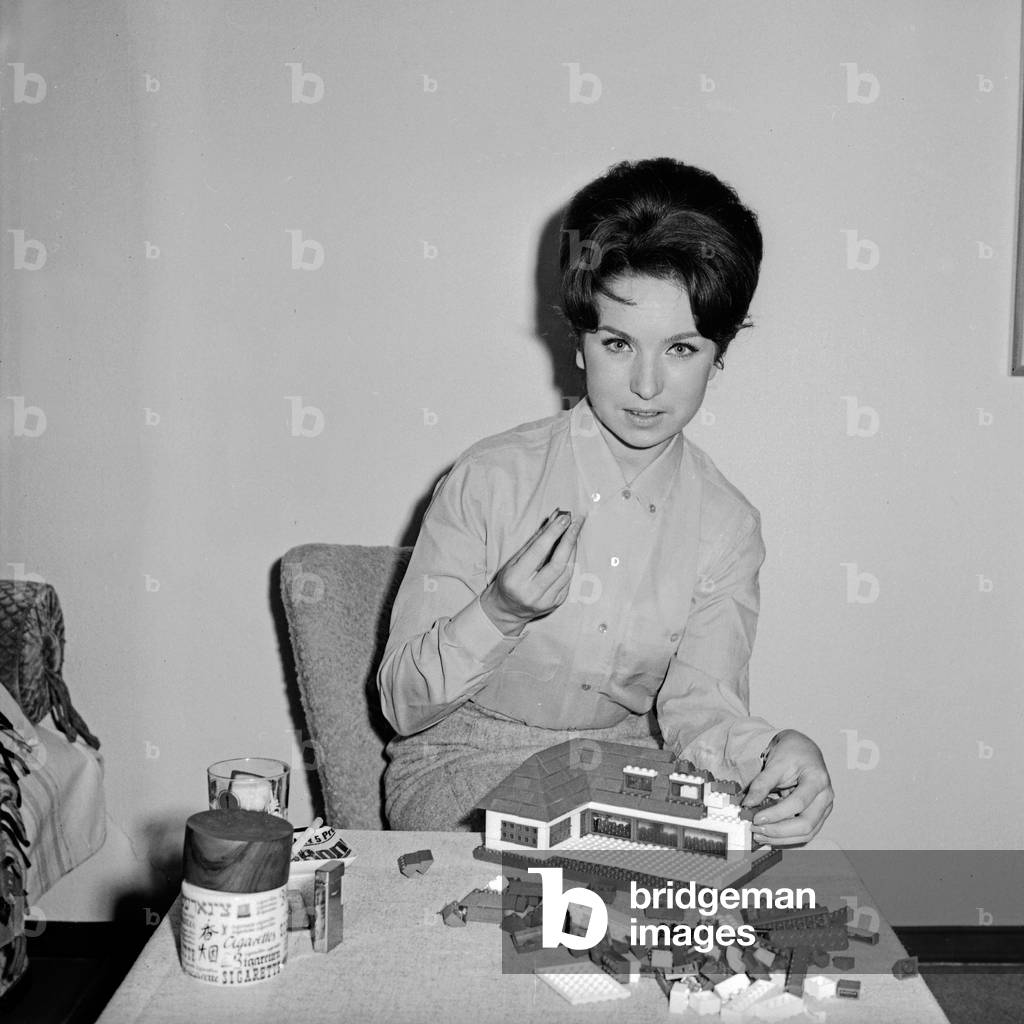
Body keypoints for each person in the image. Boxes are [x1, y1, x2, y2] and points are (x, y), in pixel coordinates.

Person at [377, 157, 833, 844]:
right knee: (586, 882)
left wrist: (774, 752)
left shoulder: (727, 525)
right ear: (580, 342)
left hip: (622, 772)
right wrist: (499, 612)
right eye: (618, 343)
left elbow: (699, 712)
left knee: (727, 886)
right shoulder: (489, 478)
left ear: (719, 353)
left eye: (681, 348)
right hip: (464, 764)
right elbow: (402, 705)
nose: (647, 385)